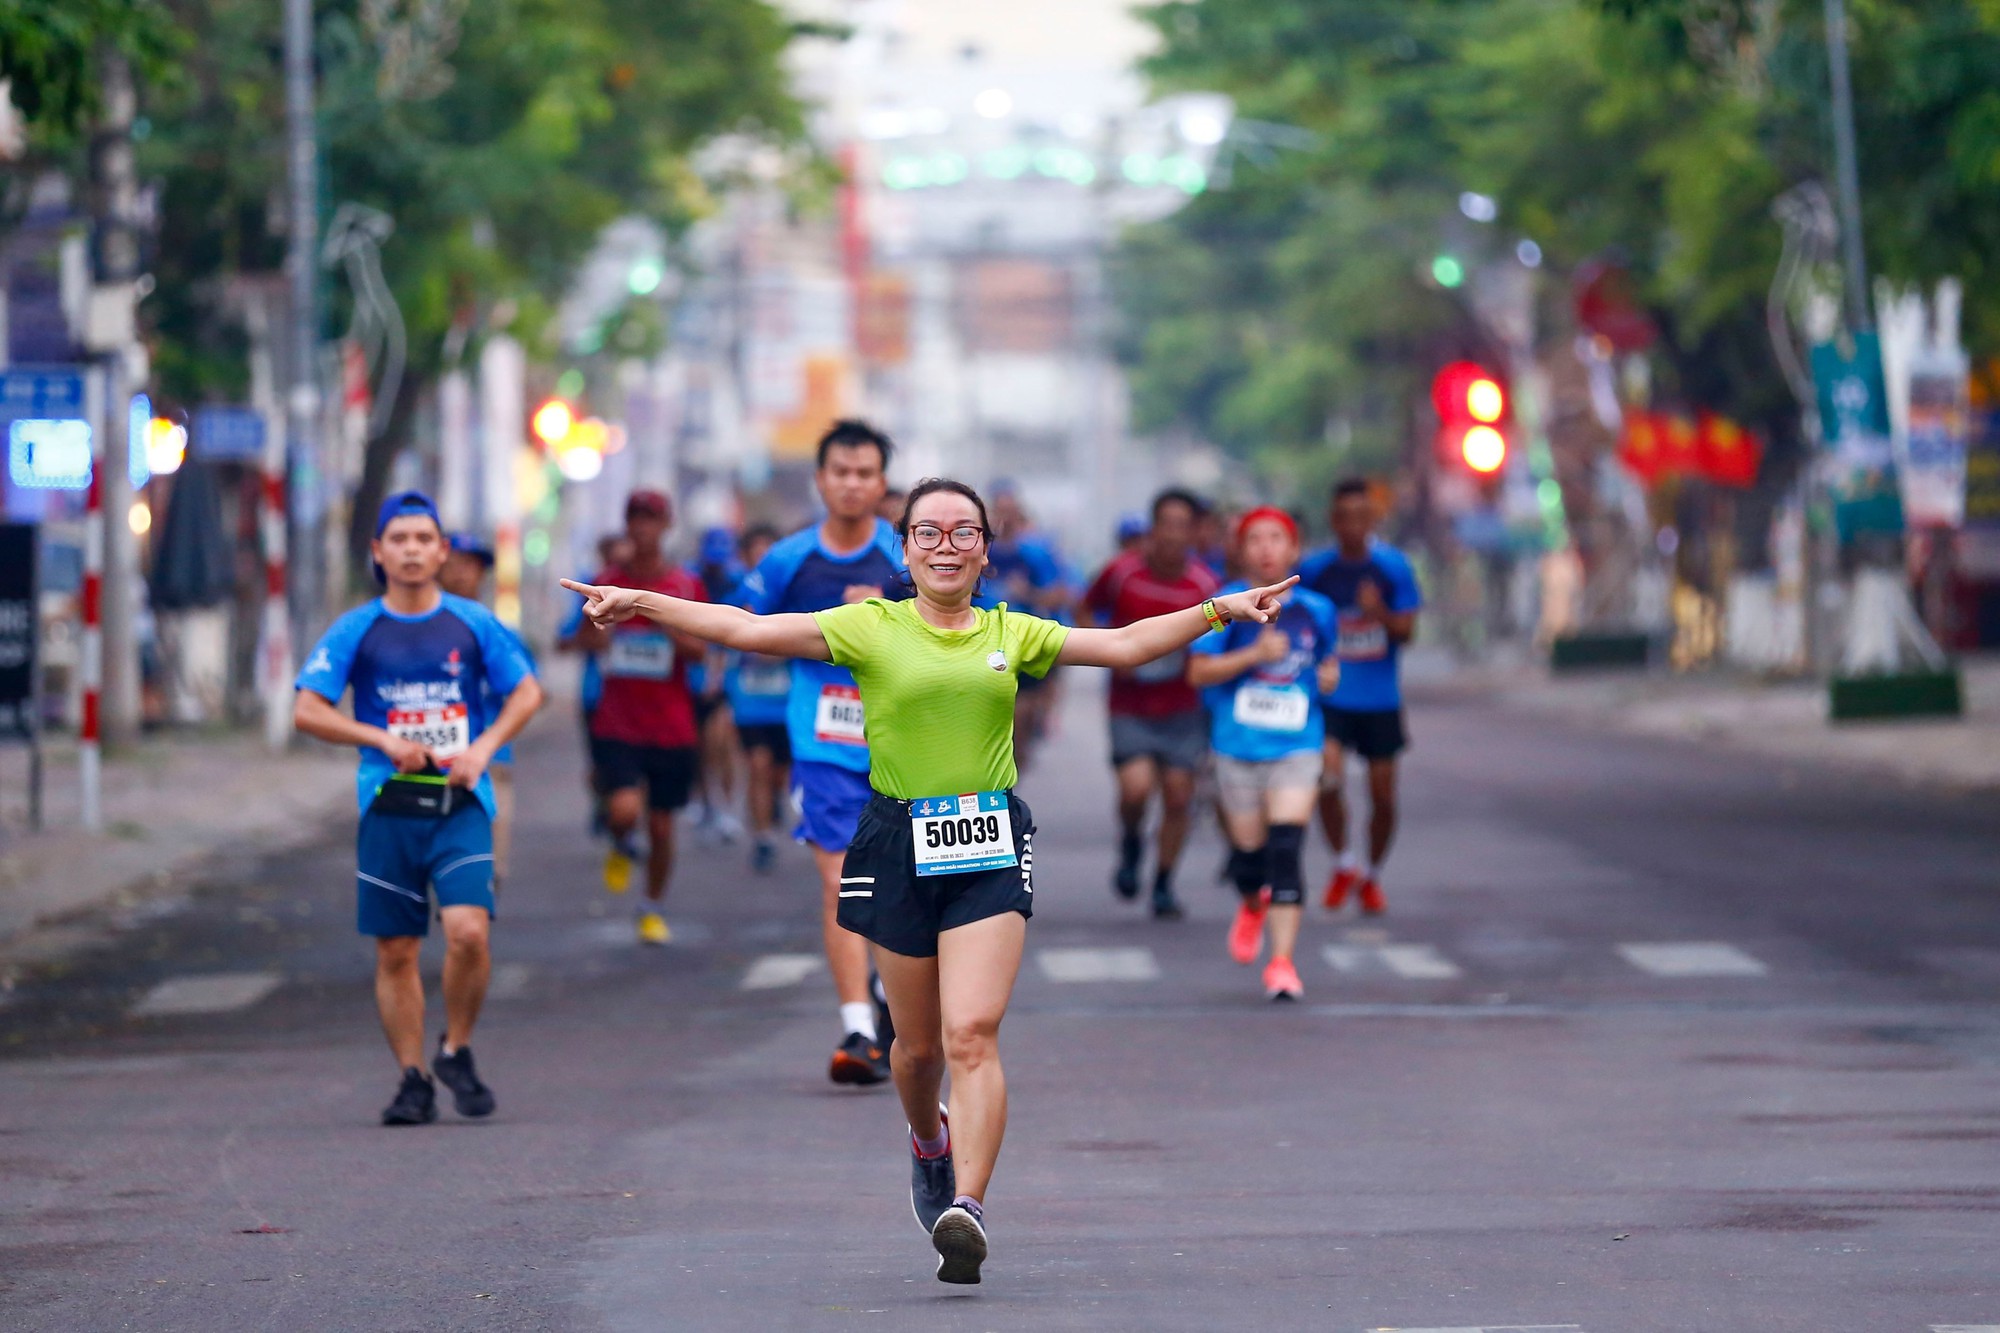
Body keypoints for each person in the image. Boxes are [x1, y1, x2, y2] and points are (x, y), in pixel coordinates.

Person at [562, 476, 1296, 1284]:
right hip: (893, 841)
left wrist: (1222, 608)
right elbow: (745, 627)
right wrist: (640, 601)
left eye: (962, 533)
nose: (946, 546)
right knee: (913, 1051)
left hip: (987, 840)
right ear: (904, 550)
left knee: (970, 1032)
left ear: (985, 549)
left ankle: (968, 1209)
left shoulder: (1012, 631)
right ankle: (927, 1140)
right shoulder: (868, 627)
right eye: (928, 533)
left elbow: (1122, 645)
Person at [293, 490, 543, 1125]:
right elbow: (307, 709)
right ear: (378, 552)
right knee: (397, 950)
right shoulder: (357, 629)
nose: (410, 551)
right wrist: (380, 739)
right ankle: (412, 1077)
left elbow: (527, 692)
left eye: (423, 540)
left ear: (442, 551)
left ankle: (455, 1047)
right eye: (398, 540)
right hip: (388, 806)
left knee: (468, 932)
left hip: (459, 805)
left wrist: (483, 748)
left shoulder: (473, 623)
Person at [736, 419, 902, 1084]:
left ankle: (893, 995)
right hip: (824, 744)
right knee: (841, 882)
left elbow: (962, 623)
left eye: (866, 473)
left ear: (882, 482)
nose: (853, 483)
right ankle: (859, 1028)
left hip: (902, 745)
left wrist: (889, 611)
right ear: (821, 478)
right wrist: (816, 634)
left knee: (899, 888)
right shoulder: (788, 559)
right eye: (842, 471)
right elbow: (743, 626)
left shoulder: (908, 554)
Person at [1187, 508, 1340, 1000]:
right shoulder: (1224, 607)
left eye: (1277, 538)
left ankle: (1282, 964)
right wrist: (1254, 655)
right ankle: (1251, 903)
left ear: (1294, 549)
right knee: (1250, 859)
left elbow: (1327, 665)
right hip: (1237, 746)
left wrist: (1332, 682)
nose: (1266, 548)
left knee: (1286, 851)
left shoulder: (1317, 610)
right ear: (1240, 549)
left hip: (1298, 744)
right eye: (1255, 539)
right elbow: (1198, 673)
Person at [560, 490, 708, 945]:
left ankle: (652, 906)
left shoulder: (685, 587)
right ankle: (620, 838)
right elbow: (577, 639)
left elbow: (700, 650)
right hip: (617, 721)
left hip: (672, 723)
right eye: (635, 519)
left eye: (652, 519)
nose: (642, 528)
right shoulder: (606, 580)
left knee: (662, 826)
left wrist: (660, 617)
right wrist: (599, 637)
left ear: (667, 525)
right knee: (624, 810)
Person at [1083, 488, 1220, 919]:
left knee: (1179, 796)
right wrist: (1109, 656)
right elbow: (1086, 612)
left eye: (1184, 526)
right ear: (1152, 528)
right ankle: (1130, 840)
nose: (1174, 535)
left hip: (1183, 705)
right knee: (1136, 789)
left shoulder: (1204, 585)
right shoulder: (1121, 574)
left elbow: (1218, 637)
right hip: (1131, 705)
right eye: (1167, 525)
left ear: (1195, 533)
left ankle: (1163, 882)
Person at [1298, 478, 1423, 915]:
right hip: (1330, 696)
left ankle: (1371, 875)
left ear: (1373, 519)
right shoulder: (1314, 570)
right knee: (1327, 781)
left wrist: (1379, 613)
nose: (1352, 525)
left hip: (1379, 699)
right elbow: (1298, 626)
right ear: (1333, 520)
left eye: (1361, 516)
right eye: (1344, 516)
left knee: (1383, 796)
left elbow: (1408, 633)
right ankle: (1342, 862)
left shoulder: (1393, 567)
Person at [439, 533, 528, 893]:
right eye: (454, 563)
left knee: (488, 866)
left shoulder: (499, 633)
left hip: (491, 760)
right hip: (429, 761)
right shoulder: (413, 631)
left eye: (470, 565)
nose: (461, 573)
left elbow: (529, 693)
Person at [986, 485, 1074, 771]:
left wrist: (1028, 595)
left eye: (1011, 513)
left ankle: (1014, 779)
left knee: (1020, 724)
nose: (1005, 519)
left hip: (1023, 645)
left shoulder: (1035, 552)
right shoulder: (977, 550)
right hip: (980, 645)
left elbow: (1060, 594)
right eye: (1000, 512)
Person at [723, 524, 791, 873]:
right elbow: (719, 636)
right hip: (749, 702)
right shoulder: (737, 595)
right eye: (756, 552)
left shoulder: (792, 595)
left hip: (787, 703)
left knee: (778, 773)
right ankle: (763, 837)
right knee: (757, 766)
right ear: (746, 556)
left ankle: (775, 802)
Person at [690, 527, 746, 844]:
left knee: (721, 745)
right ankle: (703, 802)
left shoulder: (737, 582)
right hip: (691, 680)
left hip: (723, 683)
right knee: (697, 749)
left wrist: (718, 674)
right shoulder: (690, 580)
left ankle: (726, 808)